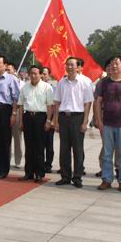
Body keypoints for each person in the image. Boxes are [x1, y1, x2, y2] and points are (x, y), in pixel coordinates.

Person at [93, 56, 121, 192]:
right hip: (107, 124)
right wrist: (99, 121)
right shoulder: (104, 83)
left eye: (116, 64)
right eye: (112, 64)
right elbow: (98, 102)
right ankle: (106, 180)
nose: (113, 66)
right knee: (107, 154)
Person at [52, 57, 94, 188]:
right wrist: (56, 121)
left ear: (78, 67)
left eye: (72, 65)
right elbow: (57, 102)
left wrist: (85, 122)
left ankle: (77, 177)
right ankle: (65, 176)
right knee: (64, 148)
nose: (69, 67)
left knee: (78, 148)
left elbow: (87, 103)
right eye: (67, 65)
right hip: (63, 117)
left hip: (77, 117)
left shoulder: (85, 82)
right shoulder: (61, 82)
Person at [18, 65, 54, 182]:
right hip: (28, 116)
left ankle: (39, 173)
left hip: (41, 117)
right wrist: (21, 121)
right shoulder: (25, 87)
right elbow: (21, 105)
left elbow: (50, 106)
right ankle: (29, 172)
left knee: (39, 146)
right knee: (29, 146)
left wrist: (48, 121)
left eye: (36, 73)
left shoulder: (46, 87)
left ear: (40, 75)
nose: (33, 75)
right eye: (31, 73)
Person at [6, 63, 23, 168]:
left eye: (9, 70)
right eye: (6, 70)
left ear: (15, 70)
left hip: (17, 112)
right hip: (5, 112)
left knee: (17, 138)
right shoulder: (3, 82)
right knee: (6, 137)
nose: (7, 72)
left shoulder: (22, 84)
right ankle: (6, 159)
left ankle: (18, 161)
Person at [40, 66, 56, 173]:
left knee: (49, 143)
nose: (42, 76)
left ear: (49, 76)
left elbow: (55, 106)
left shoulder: (52, 88)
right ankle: (40, 163)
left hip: (49, 117)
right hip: (39, 117)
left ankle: (48, 164)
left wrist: (52, 120)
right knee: (39, 142)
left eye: (45, 74)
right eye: (41, 73)